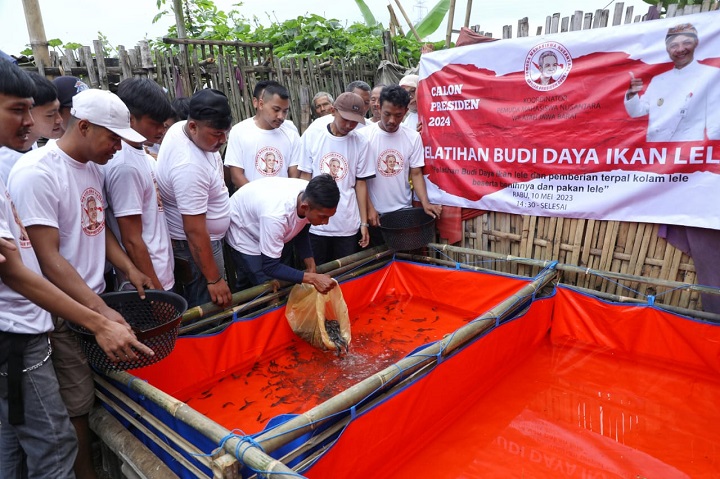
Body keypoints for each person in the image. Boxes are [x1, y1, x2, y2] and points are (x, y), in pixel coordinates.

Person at [0, 61, 152, 479]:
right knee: (74, 410)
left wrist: (127, 267)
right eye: (112, 138)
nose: (117, 148)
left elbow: (96, 225)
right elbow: (48, 260)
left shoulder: (90, 168)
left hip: (91, 298)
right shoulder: (38, 173)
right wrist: (99, 315)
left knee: (90, 397)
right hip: (61, 310)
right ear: (83, 126)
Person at [156, 89, 233, 308]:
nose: (223, 139)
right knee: (207, 303)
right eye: (217, 133)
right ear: (193, 126)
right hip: (196, 246)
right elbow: (194, 230)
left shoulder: (181, 130)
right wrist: (214, 279)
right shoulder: (188, 166)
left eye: (226, 132)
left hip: (205, 239)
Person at [103, 78, 175, 291]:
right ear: (131, 119)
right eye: (154, 123)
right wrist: (157, 292)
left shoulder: (141, 153)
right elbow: (132, 239)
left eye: (163, 123)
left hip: (158, 268)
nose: (162, 129)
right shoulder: (125, 165)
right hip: (145, 281)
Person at [225, 175, 339, 293]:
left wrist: (310, 264)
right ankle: (244, 307)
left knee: (265, 277)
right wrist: (313, 278)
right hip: (243, 231)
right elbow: (270, 266)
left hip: (264, 220)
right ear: (305, 207)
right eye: (323, 217)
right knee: (263, 283)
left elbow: (301, 227)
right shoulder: (276, 216)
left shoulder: (310, 195)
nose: (326, 222)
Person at [359, 85, 442, 246]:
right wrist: (369, 209)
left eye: (398, 115)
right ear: (378, 107)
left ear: (405, 111)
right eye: (387, 114)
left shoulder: (412, 137)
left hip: (403, 212)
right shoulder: (364, 137)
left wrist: (425, 202)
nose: (392, 120)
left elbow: (416, 173)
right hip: (375, 214)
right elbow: (360, 179)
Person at [298, 92, 373, 265]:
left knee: (345, 274)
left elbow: (360, 183)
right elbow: (304, 178)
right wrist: (302, 220)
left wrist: (363, 223)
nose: (348, 125)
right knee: (316, 274)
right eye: (345, 119)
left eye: (354, 121)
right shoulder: (313, 136)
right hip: (316, 224)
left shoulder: (361, 142)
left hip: (347, 223)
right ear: (333, 111)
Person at [625, 23, 717, 142]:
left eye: (686, 43)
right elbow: (637, 112)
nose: (680, 49)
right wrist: (632, 94)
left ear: (696, 43)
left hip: (689, 151)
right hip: (656, 152)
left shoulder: (711, 75)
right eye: (674, 45)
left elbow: (716, 124)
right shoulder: (658, 80)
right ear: (667, 49)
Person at [225, 82, 300, 187]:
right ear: (260, 104)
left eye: (285, 111)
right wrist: (257, 198)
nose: (281, 116)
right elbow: (236, 176)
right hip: (250, 200)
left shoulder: (291, 133)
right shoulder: (239, 131)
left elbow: (294, 175)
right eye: (276, 110)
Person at [0, 72, 63, 184]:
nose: (59, 120)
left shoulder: (33, 146)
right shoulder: (4, 163)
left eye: (58, 111)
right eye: (50, 115)